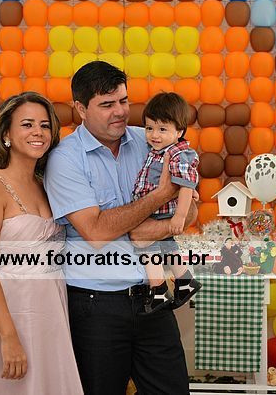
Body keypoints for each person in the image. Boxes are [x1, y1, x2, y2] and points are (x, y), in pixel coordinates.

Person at [44, 61, 198, 395]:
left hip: (154, 299)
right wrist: (160, 196)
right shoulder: (64, 159)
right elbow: (96, 233)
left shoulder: (151, 138)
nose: (120, 112)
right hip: (96, 307)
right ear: (81, 108)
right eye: (107, 104)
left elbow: (190, 207)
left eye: (124, 101)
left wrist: (146, 230)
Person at [0, 92, 83, 395]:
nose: (38, 132)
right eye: (27, 124)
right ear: (6, 134)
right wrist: (8, 336)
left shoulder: (47, 185)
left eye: (45, 125)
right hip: (11, 313)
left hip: (51, 311)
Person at [132, 92, 203, 314]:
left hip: (163, 211)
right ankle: (185, 281)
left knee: (146, 246)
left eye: (162, 129)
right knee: (167, 245)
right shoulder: (158, 150)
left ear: (179, 131)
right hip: (156, 208)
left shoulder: (177, 153)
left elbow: (185, 183)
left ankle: (159, 290)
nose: (154, 135)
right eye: (149, 128)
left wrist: (180, 216)